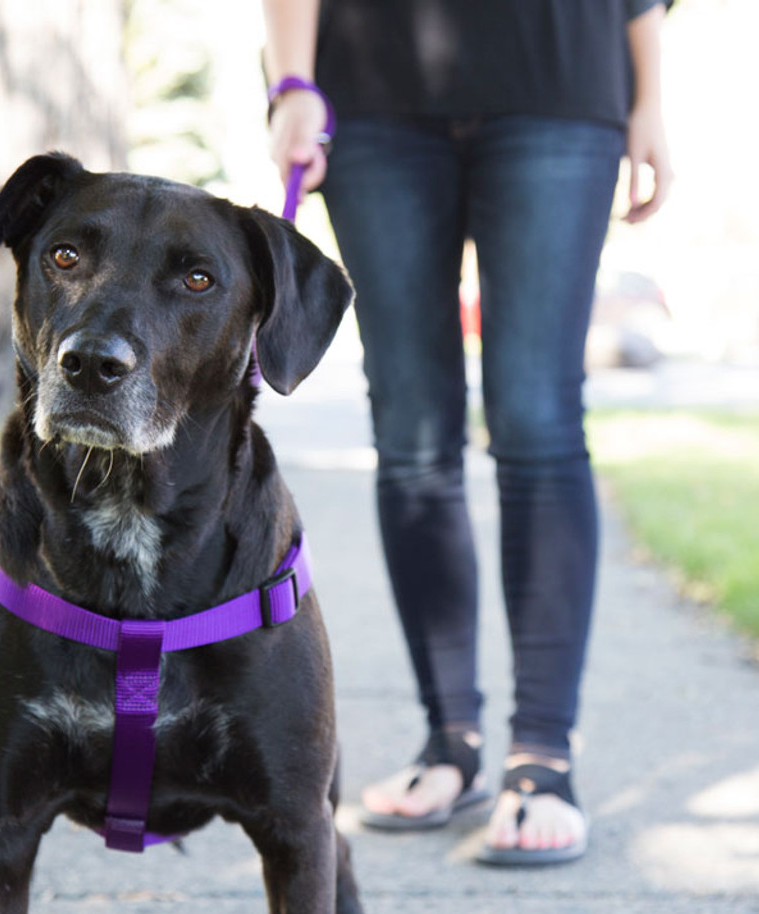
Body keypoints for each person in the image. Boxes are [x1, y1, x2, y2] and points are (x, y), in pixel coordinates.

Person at [262, 0, 673, 864]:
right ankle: (450, 742)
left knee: (539, 419)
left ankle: (542, 756)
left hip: (562, 78)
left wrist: (650, 99)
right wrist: (292, 79)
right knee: (410, 433)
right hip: (372, 94)